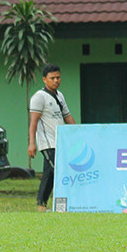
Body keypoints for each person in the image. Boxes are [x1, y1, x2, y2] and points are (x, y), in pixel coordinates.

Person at [27, 63, 76, 211]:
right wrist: (31, 144)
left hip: (60, 142)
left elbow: (67, 117)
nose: (56, 81)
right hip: (47, 143)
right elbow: (33, 122)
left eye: (58, 77)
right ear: (44, 79)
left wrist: (79, 133)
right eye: (52, 78)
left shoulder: (60, 96)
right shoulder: (39, 97)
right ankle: (41, 204)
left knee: (54, 173)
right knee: (51, 172)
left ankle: (50, 204)